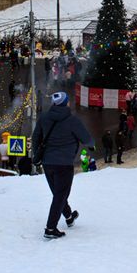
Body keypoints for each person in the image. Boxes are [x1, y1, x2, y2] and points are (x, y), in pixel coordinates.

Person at [32, 91, 94, 240]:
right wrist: (92, 145)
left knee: (58, 193)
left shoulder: (44, 118)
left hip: (47, 163)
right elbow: (86, 139)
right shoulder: (72, 120)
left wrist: (37, 154)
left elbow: (35, 138)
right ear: (66, 103)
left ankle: (69, 217)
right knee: (60, 194)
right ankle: (50, 228)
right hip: (64, 164)